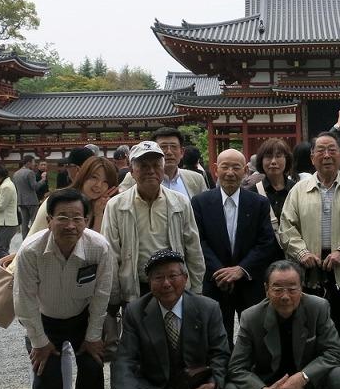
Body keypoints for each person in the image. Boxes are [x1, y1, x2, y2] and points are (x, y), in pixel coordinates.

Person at [14, 188, 118, 389]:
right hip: (45, 318)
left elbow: (101, 294)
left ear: (87, 219)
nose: (70, 225)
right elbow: (23, 299)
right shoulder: (31, 250)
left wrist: (94, 336)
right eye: (62, 217)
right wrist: (39, 341)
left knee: (93, 370)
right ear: (49, 220)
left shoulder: (99, 248)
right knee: (46, 375)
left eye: (77, 218)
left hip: (83, 316)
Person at [279, 131, 340, 389]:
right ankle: (311, 386)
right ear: (312, 157)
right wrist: (301, 253)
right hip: (311, 271)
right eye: (321, 150)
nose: (327, 155)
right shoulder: (298, 190)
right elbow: (286, 227)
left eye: (332, 150)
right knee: (310, 332)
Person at [223, 260, 340, 389]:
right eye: (277, 289)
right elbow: (236, 368)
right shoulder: (251, 317)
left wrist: (302, 377)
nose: (285, 296)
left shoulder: (318, 307)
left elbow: (334, 352)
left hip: (311, 386)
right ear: (266, 289)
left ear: (302, 287)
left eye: (292, 289)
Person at [112, 248, 230, 389]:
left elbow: (221, 353)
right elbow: (124, 360)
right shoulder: (136, 311)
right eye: (158, 277)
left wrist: (213, 383)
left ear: (185, 278)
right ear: (149, 282)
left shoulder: (208, 308)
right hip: (153, 387)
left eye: (173, 276)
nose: (166, 283)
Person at [191, 149, 279, 343]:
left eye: (236, 167)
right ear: (215, 169)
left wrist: (241, 269)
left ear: (246, 171)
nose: (230, 172)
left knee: (256, 337)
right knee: (217, 338)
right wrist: (221, 271)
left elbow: (266, 242)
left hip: (249, 280)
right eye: (225, 167)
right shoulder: (200, 202)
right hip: (215, 280)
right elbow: (198, 241)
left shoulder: (258, 203)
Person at [102, 140, 206, 305]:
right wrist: (114, 298)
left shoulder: (180, 202)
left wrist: (197, 289)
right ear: (131, 171)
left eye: (156, 165)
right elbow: (111, 256)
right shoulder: (116, 205)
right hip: (136, 288)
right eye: (143, 166)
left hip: (174, 287)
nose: (150, 171)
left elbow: (193, 248)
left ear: (163, 169)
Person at [244, 138, 298, 246]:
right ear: (261, 160)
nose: (273, 161)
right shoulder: (252, 193)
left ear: (286, 159)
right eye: (268, 157)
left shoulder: (297, 190)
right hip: (263, 256)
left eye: (278, 156)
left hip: (293, 254)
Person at [143, 127, 206, 199]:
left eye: (174, 147)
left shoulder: (196, 179)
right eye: (163, 147)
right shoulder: (136, 178)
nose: (169, 152)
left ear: (182, 152)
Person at [12, 155, 41, 237]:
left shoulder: (16, 174)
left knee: (24, 223)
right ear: (29, 163)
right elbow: (34, 186)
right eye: (33, 162)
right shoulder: (30, 172)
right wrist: (42, 180)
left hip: (21, 200)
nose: (34, 164)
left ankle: (24, 239)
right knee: (34, 221)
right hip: (32, 201)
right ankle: (33, 237)